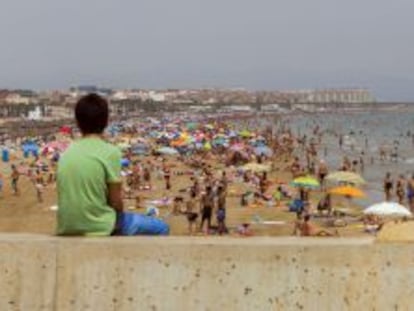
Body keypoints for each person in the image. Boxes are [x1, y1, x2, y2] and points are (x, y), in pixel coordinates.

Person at [56, 94, 169, 236]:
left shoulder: (67, 153)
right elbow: (116, 202)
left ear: (78, 122)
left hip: (66, 226)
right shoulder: (110, 151)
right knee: (161, 227)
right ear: (106, 121)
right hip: (100, 225)